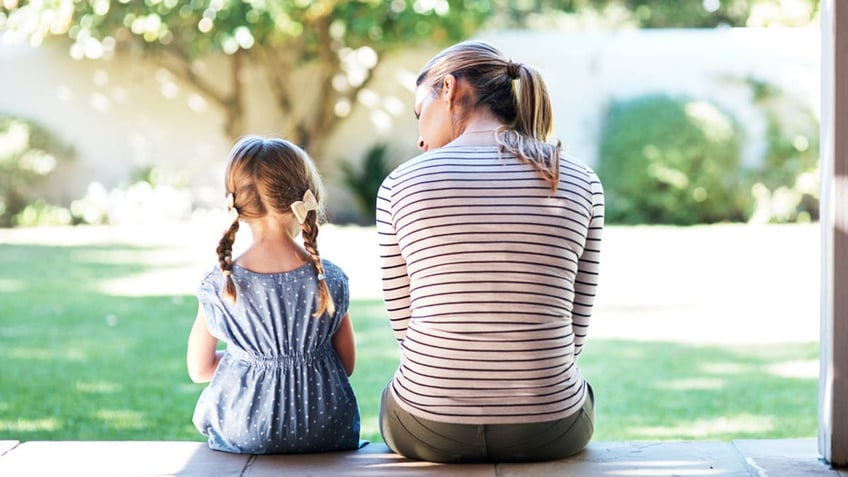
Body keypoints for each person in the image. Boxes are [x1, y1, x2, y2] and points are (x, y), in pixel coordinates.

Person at [375, 40, 605, 463]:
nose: (420, 137)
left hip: (428, 427)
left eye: (418, 112)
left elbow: (406, 329)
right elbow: (574, 330)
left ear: (448, 89)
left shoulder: (400, 184)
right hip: (549, 427)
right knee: (580, 389)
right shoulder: (579, 179)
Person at [186, 136, 361, 454]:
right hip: (326, 429)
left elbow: (199, 369)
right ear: (307, 197)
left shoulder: (220, 283)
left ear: (235, 203)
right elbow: (346, 364)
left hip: (245, 431)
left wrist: (250, 359)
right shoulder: (330, 278)